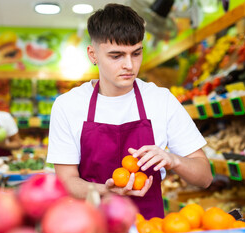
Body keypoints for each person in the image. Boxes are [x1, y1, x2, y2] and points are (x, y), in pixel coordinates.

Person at [47, 3, 213, 219]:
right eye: (116, 56)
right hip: (92, 226)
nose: (130, 65)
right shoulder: (68, 105)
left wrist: (174, 160)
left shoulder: (161, 100)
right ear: (93, 54)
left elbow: (205, 177)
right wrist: (104, 191)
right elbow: (66, 181)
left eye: (136, 53)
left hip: (148, 227)